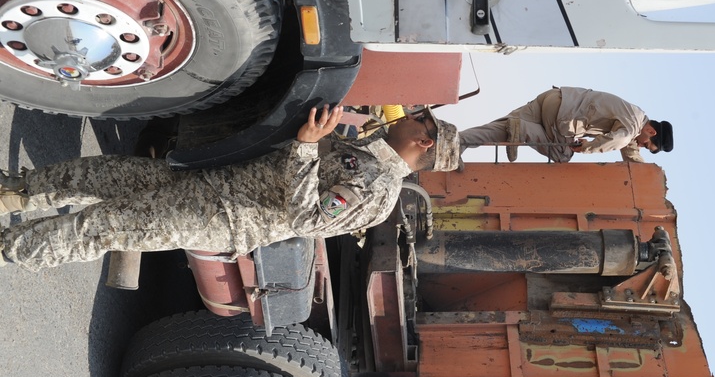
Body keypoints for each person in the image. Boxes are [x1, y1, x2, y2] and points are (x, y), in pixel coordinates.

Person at [0, 105, 460, 271]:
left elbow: (307, 219)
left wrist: (304, 148)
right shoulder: (369, 149)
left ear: (424, 142)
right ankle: (14, 194)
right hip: (212, 181)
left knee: (103, 226)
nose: (413, 114)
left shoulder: (378, 192)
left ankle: (11, 248)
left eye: (422, 119)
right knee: (105, 176)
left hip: (221, 215)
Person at [459, 86, 672, 162]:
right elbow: (620, 139)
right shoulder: (631, 129)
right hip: (563, 116)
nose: (642, 145)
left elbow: (629, 147)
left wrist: (640, 168)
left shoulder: (635, 116)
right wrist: (585, 148)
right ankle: (522, 130)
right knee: (563, 154)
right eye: (647, 144)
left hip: (554, 98)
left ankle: (458, 141)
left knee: (500, 130)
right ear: (651, 131)